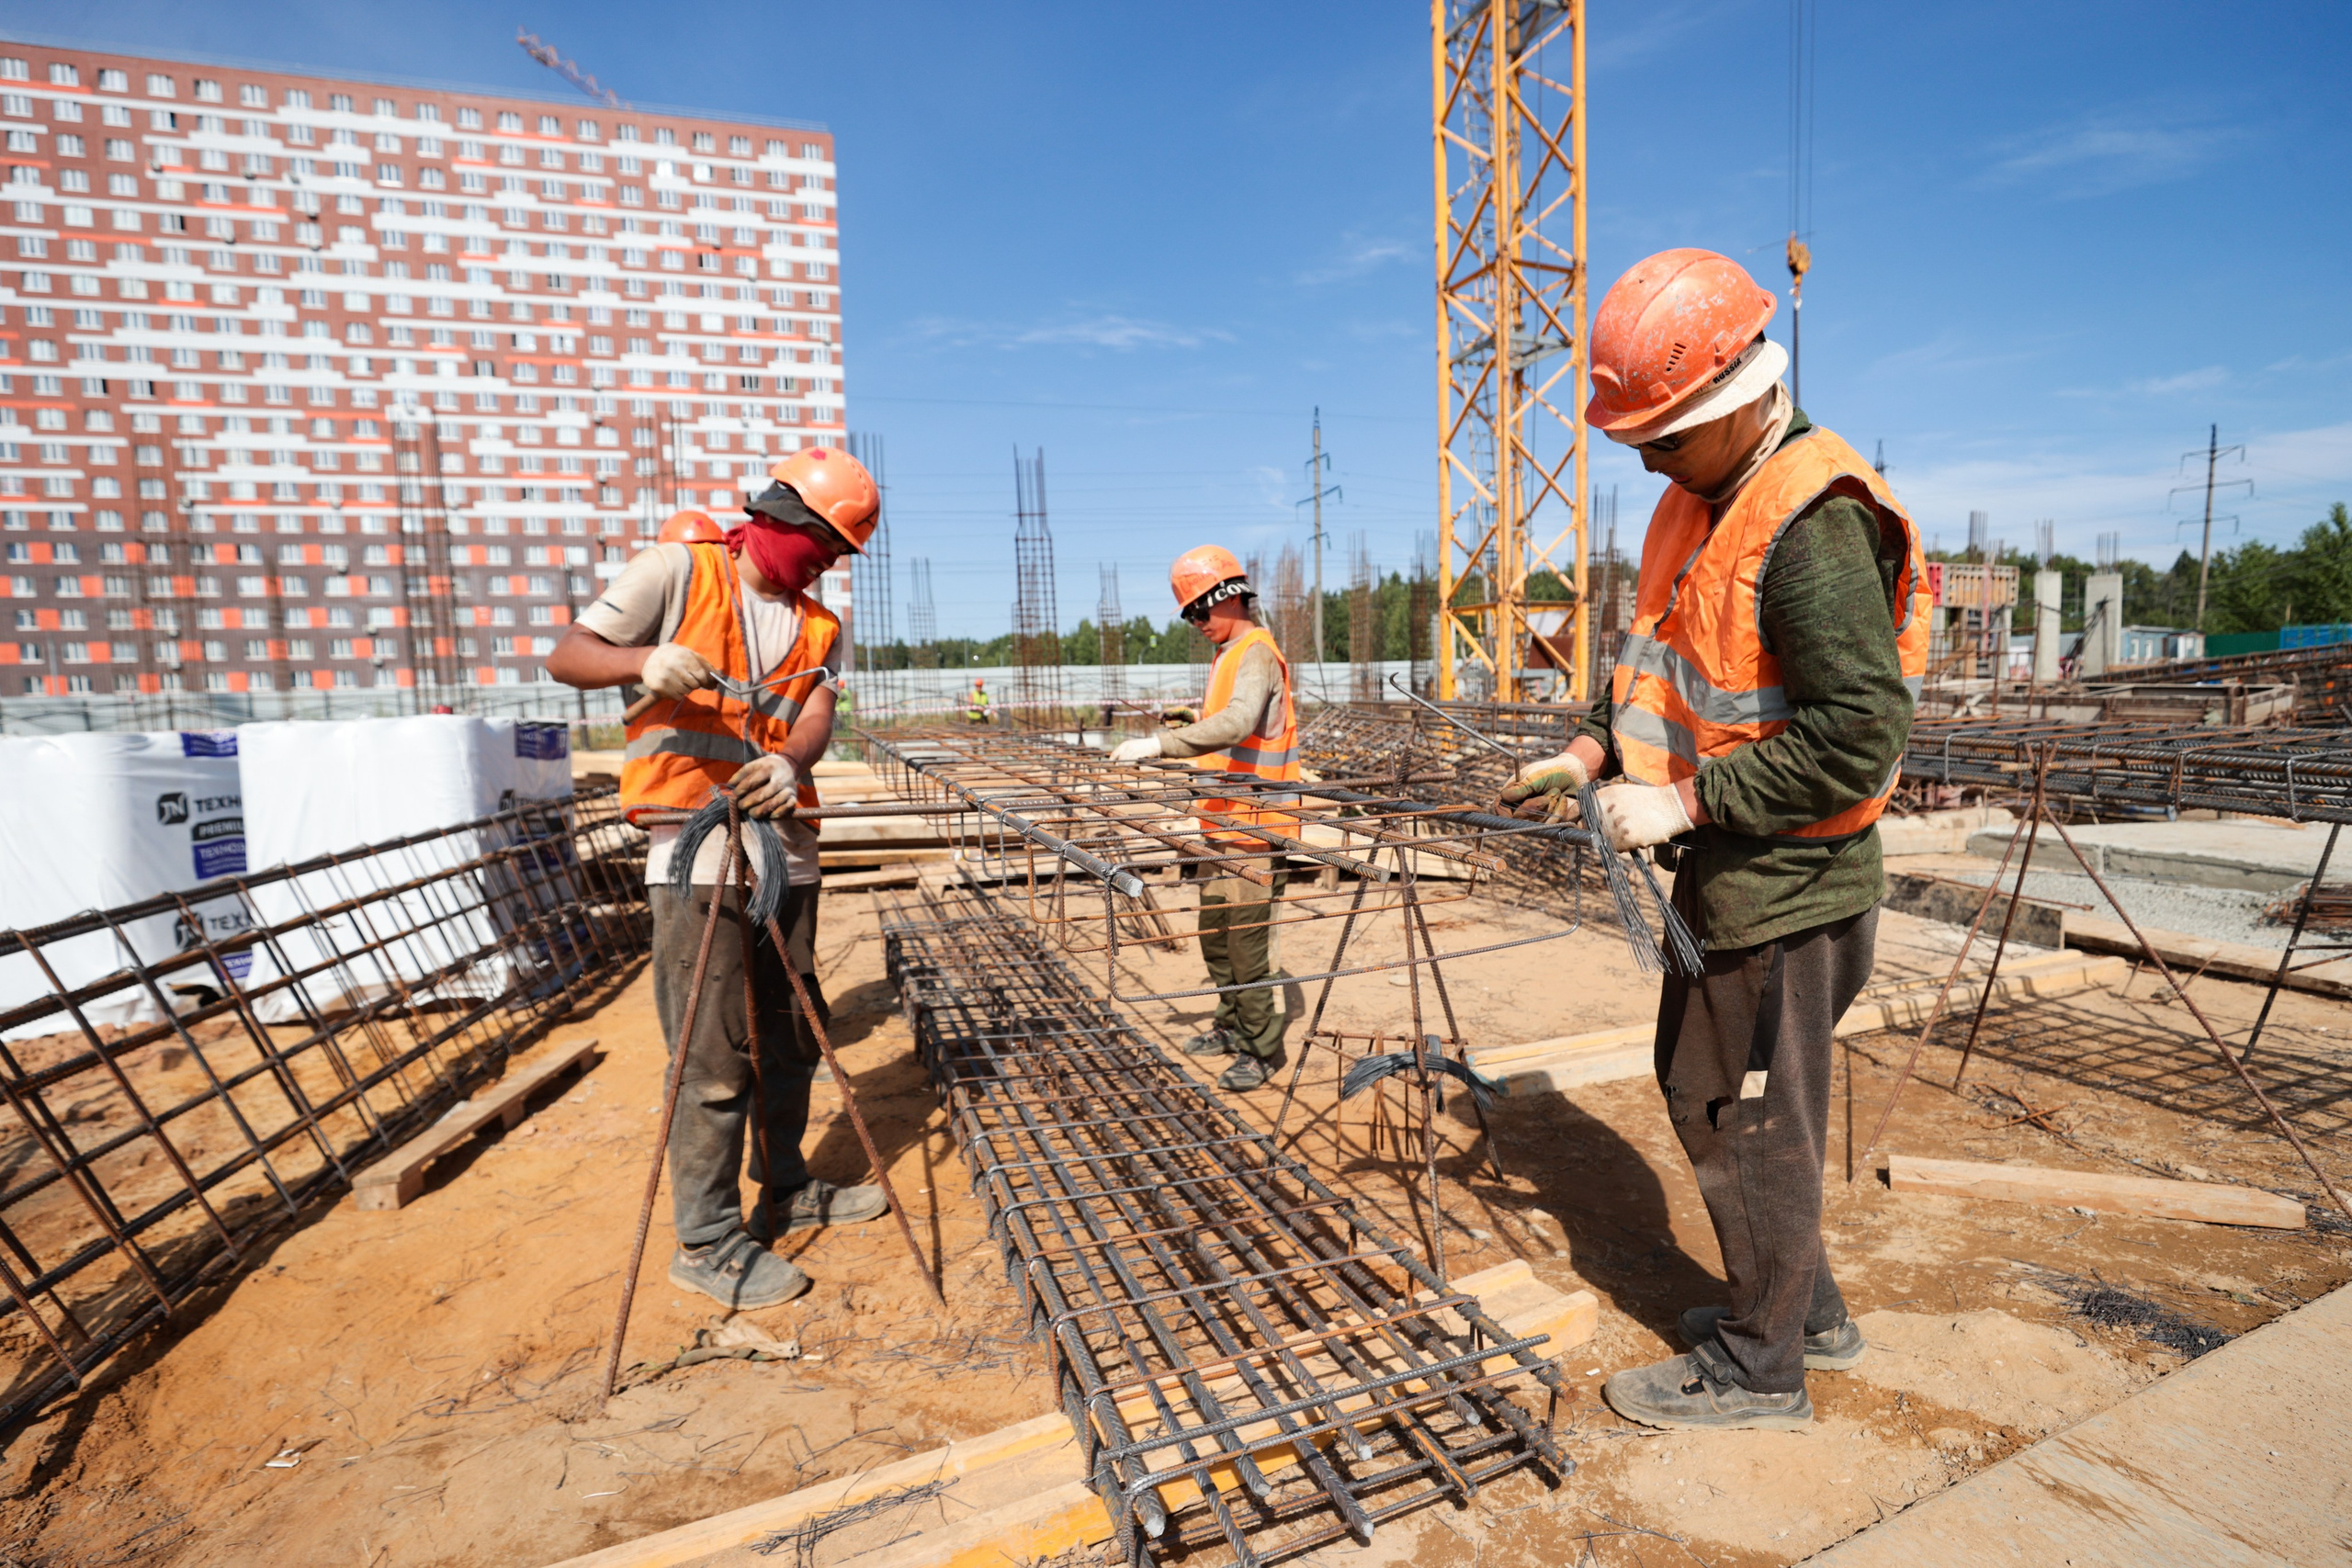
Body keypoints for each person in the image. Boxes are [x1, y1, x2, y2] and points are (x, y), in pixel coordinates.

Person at [1501, 248, 1928, 1430]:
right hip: (1736, 870)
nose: (1643, 459)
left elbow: (1857, 734)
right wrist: (1588, 754)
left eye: (1661, 438)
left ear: (1740, 397)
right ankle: (1804, 1313)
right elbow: (1654, 660)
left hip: (1788, 881)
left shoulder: (1810, 524)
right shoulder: (1704, 497)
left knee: (1740, 1112)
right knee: (1722, 1096)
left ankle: (1761, 1366)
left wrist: (1686, 805)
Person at [547, 447, 890, 1311]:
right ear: (777, 515)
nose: (827, 562)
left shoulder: (819, 625)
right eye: (822, 544)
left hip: (786, 849)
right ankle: (706, 1240)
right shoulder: (677, 573)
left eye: (838, 552)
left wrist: (790, 762)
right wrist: (641, 664)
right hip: (694, 852)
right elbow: (567, 653)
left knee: (791, 1039)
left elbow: (815, 710)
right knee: (710, 1053)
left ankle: (787, 1185)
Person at [1110, 547, 1300, 1091]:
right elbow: (1229, 720)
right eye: (1189, 616)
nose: (1196, 625)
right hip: (1221, 823)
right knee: (1215, 936)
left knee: (1247, 944)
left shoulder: (1257, 651)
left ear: (1228, 597)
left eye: (1199, 613)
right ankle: (1231, 1023)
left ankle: (1261, 1049)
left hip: (1257, 826)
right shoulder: (1228, 654)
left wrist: (1161, 743)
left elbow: (1241, 723)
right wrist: (1193, 721)